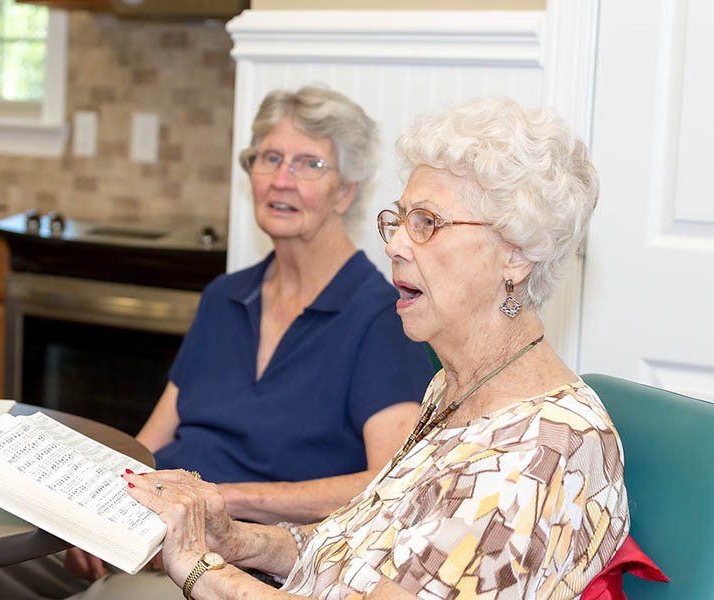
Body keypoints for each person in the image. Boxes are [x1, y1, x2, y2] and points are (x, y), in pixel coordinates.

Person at [121, 97, 630, 599]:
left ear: (516, 255)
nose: (395, 245)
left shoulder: (540, 450)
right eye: (400, 220)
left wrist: (200, 569)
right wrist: (234, 539)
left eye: (427, 223)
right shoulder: (456, 390)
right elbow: (351, 554)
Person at [58, 85, 434, 590]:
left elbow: (385, 486)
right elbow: (152, 440)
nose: (282, 179)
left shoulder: (380, 315)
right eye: (270, 158)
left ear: (346, 191)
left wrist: (220, 501)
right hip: (147, 532)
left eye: (309, 164)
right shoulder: (224, 296)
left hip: (245, 566)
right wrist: (96, 506)